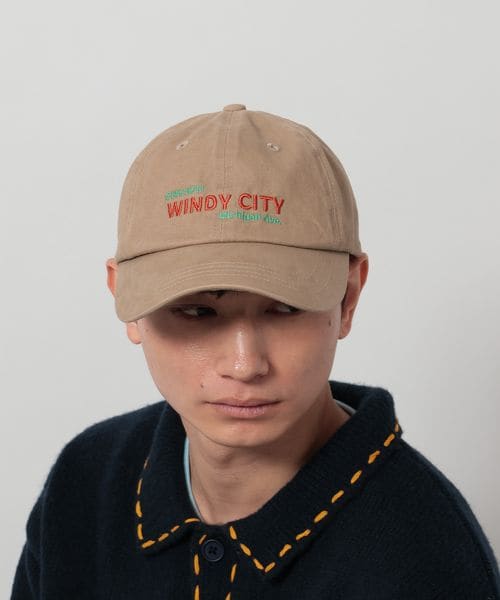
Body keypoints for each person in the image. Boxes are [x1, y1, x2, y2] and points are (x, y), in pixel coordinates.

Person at [11, 103, 499, 599]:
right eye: (197, 311)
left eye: (285, 308)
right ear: (126, 299)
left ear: (348, 296)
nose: (245, 365)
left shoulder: (425, 559)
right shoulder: (87, 481)